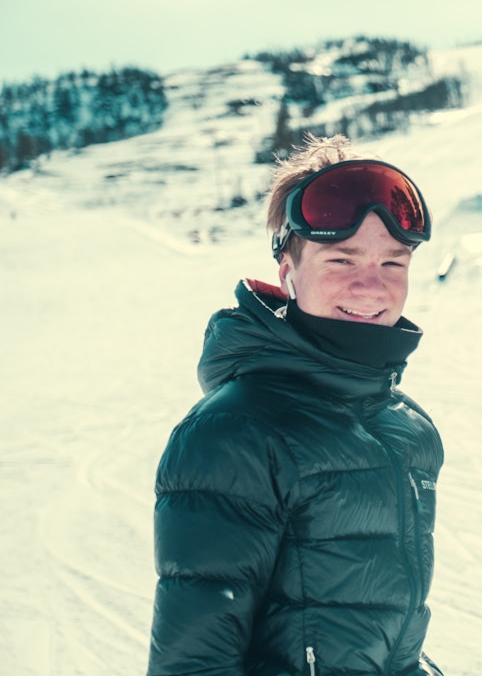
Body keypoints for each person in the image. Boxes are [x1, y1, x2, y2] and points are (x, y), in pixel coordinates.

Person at [148, 134, 444, 676]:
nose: (371, 287)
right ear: (288, 273)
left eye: (393, 263)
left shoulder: (405, 427)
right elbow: (193, 664)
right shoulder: (235, 432)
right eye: (342, 259)